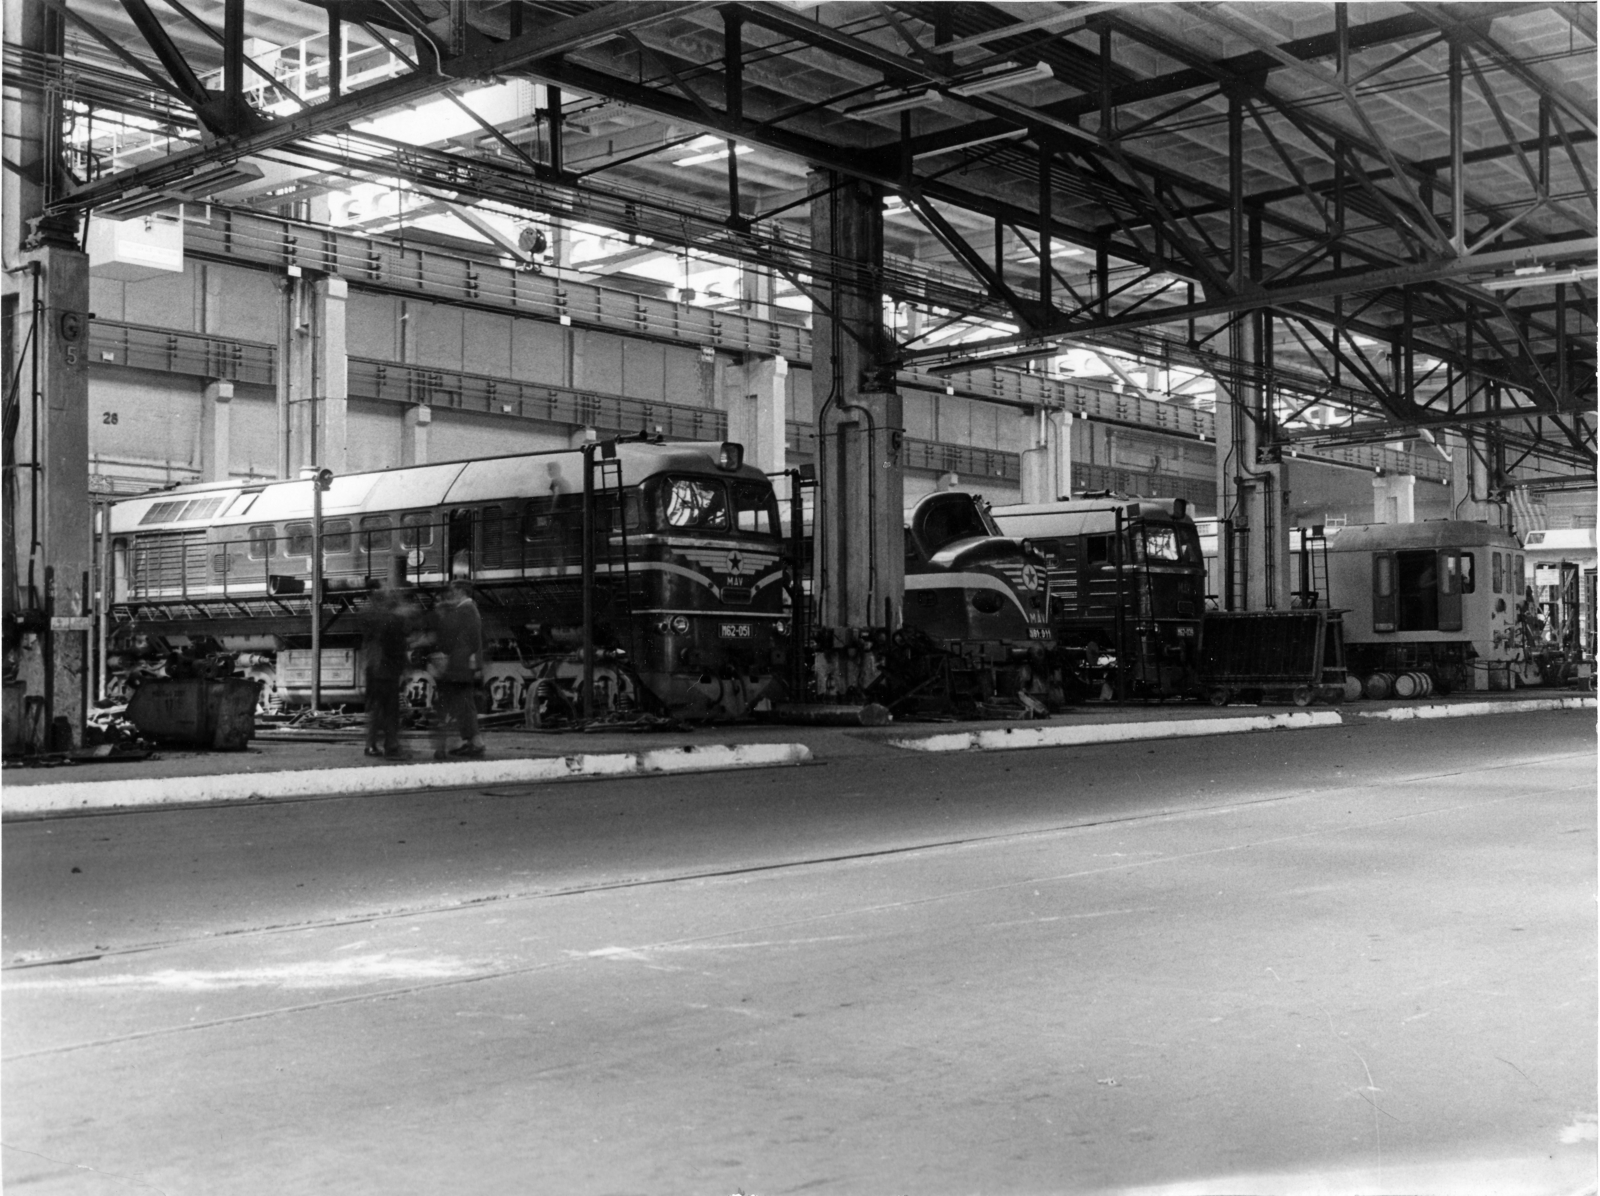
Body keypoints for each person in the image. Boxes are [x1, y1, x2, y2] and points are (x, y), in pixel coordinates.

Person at [429, 578, 486, 759]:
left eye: (454, 590)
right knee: (465, 705)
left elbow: (449, 636)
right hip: (462, 666)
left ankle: (464, 745)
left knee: (450, 706)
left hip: (457, 666)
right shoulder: (470, 609)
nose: (451, 593)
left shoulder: (465, 610)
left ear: (461, 591)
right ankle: (473, 743)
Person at [362, 584, 416, 759]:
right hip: (386, 671)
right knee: (390, 710)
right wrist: (406, 667)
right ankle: (391, 747)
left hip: (374, 668)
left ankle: (371, 745)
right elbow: (396, 648)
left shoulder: (376, 619)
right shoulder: (393, 621)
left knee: (377, 710)